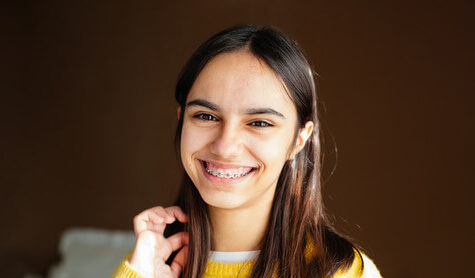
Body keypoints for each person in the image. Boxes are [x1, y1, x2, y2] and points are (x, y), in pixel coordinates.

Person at [111, 24, 382, 278]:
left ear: (299, 140)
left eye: (259, 123)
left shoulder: (343, 272)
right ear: (181, 120)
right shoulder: (148, 266)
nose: (225, 146)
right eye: (206, 116)